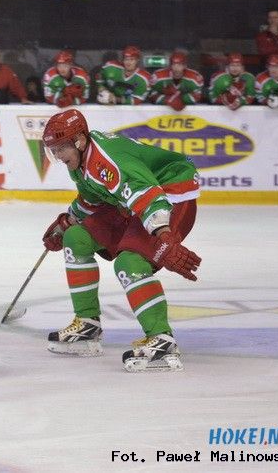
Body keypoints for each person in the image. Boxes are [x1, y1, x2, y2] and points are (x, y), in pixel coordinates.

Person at [40, 108, 201, 372]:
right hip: (134, 200)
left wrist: (165, 238)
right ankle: (87, 324)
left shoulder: (107, 161)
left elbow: (148, 196)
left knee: (130, 262)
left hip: (169, 195)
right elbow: (92, 200)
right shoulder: (79, 162)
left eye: (60, 149)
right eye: (53, 150)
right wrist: (67, 221)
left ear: (79, 140)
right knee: (76, 237)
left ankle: (162, 340)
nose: (57, 156)